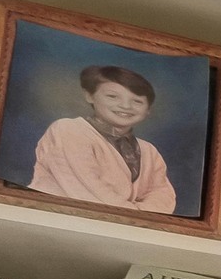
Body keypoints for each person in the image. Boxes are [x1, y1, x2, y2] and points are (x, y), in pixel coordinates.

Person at [29, 64, 175, 214]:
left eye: (137, 101)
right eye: (112, 96)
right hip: (55, 217)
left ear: (148, 110)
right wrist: (137, 215)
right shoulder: (69, 130)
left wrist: (140, 216)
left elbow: (163, 194)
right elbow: (88, 192)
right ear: (90, 96)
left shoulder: (148, 150)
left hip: (122, 226)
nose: (125, 106)